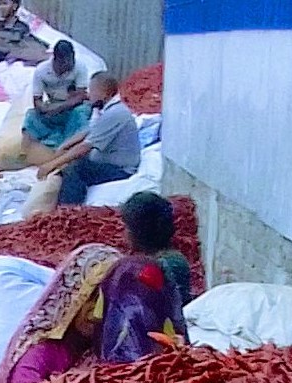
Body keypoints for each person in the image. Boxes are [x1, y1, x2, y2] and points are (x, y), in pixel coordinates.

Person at [0, 243, 185, 383]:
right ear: (69, 295)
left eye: (108, 300)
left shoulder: (117, 346)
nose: (97, 312)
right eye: (91, 297)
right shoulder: (39, 356)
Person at [38, 72, 141, 206]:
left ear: (105, 92)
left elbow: (85, 146)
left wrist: (51, 165)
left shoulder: (115, 114)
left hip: (120, 170)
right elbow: (89, 131)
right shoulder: (102, 110)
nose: (88, 94)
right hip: (107, 163)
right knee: (69, 162)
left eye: (92, 90)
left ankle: (69, 211)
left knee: (76, 168)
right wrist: (64, 146)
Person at [123, 192, 193, 305]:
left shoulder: (165, 265)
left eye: (127, 228)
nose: (124, 233)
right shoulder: (168, 259)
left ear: (140, 232)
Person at [22, 41, 91, 154]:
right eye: (64, 63)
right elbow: (37, 100)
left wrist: (59, 108)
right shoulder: (42, 71)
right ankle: (26, 151)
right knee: (31, 116)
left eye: (70, 61)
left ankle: (69, 147)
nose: (68, 65)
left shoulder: (80, 67)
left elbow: (81, 96)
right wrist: (44, 108)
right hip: (52, 106)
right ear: (56, 59)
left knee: (82, 112)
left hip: (72, 107)